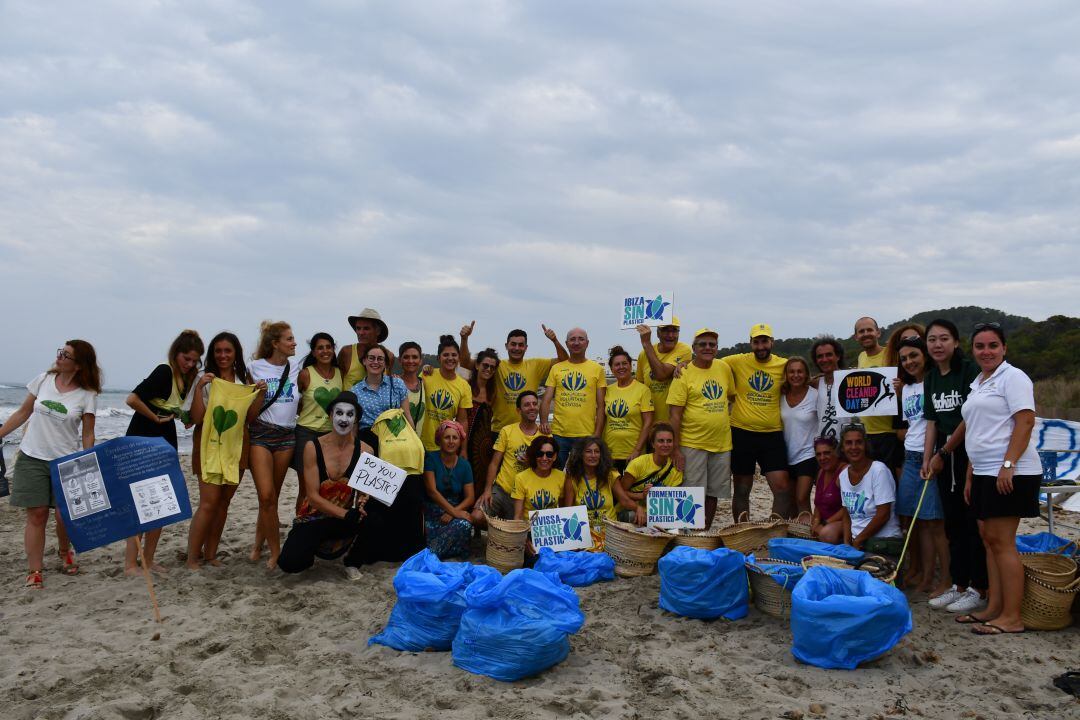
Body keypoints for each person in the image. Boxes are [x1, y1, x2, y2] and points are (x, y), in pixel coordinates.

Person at [959, 323, 1041, 635]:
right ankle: (994, 607)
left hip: (1010, 472)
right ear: (973, 351)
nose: (986, 351)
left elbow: (1026, 420)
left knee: (1003, 542)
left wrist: (1009, 464)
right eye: (980, 346)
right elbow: (978, 431)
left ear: (1004, 348)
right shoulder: (979, 382)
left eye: (993, 345)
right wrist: (970, 475)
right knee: (989, 539)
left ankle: (1012, 616)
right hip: (983, 471)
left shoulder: (1013, 377)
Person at [0, 341, 100, 588]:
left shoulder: (87, 394)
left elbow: (88, 433)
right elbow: (23, 412)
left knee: (64, 516)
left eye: (65, 355)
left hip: (65, 461)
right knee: (37, 514)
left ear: (78, 365)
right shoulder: (43, 379)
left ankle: (64, 550)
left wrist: (89, 460)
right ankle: (35, 570)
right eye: (60, 352)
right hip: (31, 456)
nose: (59, 357)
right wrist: (1, 433)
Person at [124, 329, 204, 574]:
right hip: (143, 438)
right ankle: (129, 564)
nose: (189, 364)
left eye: (194, 361)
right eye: (186, 359)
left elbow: (181, 414)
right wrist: (156, 418)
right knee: (140, 503)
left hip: (165, 439)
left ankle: (148, 560)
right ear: (176, 354)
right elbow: (132, 399)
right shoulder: (164, 371)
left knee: (160, 502)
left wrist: (191, 404)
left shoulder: (186, 379)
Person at [921, 318, 987, 614]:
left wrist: (944, 452)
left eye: (944, 338)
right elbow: (932, 422)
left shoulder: (969, 371)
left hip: (967, 452)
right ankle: (959, 585)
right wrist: (928, 458)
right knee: (953, 523)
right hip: (943, 455)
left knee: (973, 522)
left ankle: (979, 587)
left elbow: (968, 418)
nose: (937, 344)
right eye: (932, 339)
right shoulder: (931, 377)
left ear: (956, 342)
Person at [278, 392, 372, 577]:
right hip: (315, 518)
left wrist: (363, 501)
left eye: (350, 414)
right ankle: (313, 548)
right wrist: (346, 514)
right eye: (339, 413)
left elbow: (363, 492)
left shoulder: (366, 451)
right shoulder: (313, 447)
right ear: (330, 416)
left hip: (345, 520)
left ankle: (352, 561)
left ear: (356, 419)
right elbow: (312, 496)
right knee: (290, 563)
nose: (344, 419)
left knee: (375, 518)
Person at [185, 332, 256, 569]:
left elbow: (251, 417)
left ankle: (210, 554)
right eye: (218, 351)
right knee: (208, 503)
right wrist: (199, 390)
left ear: (236, 353)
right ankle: (192, 557)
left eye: (228, 351)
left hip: (237, 446)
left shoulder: (244, 380)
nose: (223, 355)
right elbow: (196, 418)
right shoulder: (204, 379)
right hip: (209, 446)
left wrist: (260, 393)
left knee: (224, 502)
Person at [247, 321, 305, 569]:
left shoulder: (297, 367)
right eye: (289, 339)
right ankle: (275, 551)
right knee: (266, 495)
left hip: (286, 437)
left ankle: (258, 544)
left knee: (272, 497)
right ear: (275, 343)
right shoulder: (254, 367)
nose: (294, 343)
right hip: (260, 434)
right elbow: (246, 407)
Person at [721, 323, 793, 519]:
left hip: (772, 434)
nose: (761, 346)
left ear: (772, 342)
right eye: (756, 342)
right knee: (742, 488)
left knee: (782, 487)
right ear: (750, 343)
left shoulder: (783, 364)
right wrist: (684, 364)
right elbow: (710, 362)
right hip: (741, 432)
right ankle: (742, 530)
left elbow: (801, 377)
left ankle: (774, 528)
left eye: (764, 341)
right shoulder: (737, 361)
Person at [895, 337, 948, 594]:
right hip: (910, 457)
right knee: (912, 521)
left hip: (931, 457)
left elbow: (935, 423)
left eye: (914, 355)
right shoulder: (906, 388)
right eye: (904, 359)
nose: (909, 362)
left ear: (925, 355)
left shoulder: (935, 382)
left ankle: (942, 579)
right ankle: (920, 573)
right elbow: (911, 425)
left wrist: (933, 456)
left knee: (933, 523)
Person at [667, 328, 735, 527]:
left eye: (712, 344)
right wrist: (676, 449)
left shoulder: (723, 367)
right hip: (692, 443)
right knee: (691, 494)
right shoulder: (683, 372)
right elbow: (675, 414)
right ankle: (690, 535)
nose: (707, 348)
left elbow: (731, 396)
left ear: (717, 348)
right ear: (694, 348)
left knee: (713, 493)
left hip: (722, 444)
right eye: (702, 344)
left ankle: (704, 531)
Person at [459, 323, 567, 435]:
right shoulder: (497, 366)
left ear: (526, 347)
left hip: (526, 432)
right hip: (498, 431)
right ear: (506, 346)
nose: (516, 348)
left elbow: (564, 362)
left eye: (520, 345)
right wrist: (464, 339)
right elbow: (465, 363)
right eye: (513, 344)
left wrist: (555, 340)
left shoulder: (536, 365)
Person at [474, 391, 549, 524]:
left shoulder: (545, 436)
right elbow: (494, 464)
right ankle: (499, 531)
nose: (532, 407)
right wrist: (487, 490)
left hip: (526, 496)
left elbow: (548, 469)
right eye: (527, 405)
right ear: (518, 410)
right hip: (502, 490)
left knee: (519, 532)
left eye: (534, 404)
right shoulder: (507, 431)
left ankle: (505, 532)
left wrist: (531, 463)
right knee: (477, 516)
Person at [540, 327, 605, 468]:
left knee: (583, 476)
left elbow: (601, 406)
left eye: (581, 339)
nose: (576, 342)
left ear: (587, 343)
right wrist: (544, 421)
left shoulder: (597, 369)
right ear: (567, 343)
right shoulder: (557, 368)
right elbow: (546, 398)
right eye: (572, 339)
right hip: (559, 434)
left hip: (586, 435)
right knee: (554, 473)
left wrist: (597, 433)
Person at [292, 333, 343, 510]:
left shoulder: (340, 374)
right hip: (306, 434)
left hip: (331, 435)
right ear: (313, 352)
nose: (325, 351)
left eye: (328, 347)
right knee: (306, 488)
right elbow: (295, 403)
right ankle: (300, 524)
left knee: (328, 485)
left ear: (333, 349)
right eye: (320, 348)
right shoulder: (305, 374)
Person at [838, 423, 903, 553]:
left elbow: (883, 514)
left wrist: (858, 540)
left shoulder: (879, 470)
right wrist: (847, 544)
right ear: (842, 448)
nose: (854, 447)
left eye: (859, 442)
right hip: (858, 544)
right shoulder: (843, 475)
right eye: (848, 443)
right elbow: (846, 515)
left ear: (866, 445)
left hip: (883, 542)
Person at [422, 420, 477, 559]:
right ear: (440, 440)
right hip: (434, 510)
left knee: (465, 524)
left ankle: (435, 551)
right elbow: (431, 491)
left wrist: (453, 513)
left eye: (455, 438)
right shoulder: (431, 459)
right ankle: (437, 550)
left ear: (460, 441)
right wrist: (453, 512)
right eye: (447, 437)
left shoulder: (465, 465)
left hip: (453, 510)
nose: (451, 441)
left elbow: (470, 497)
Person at [561, 437, 632, 540]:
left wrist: (638, 509)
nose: (593, 455)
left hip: (610, 533)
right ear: (581, 454)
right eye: (588, 452)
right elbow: (569, 510)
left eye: (597, 452)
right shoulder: (572, 478)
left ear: (601, 455)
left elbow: (624, 500)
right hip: (585, 535)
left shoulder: (610, 475)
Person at [853, 317, 900, 466]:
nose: (866, 334)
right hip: (867, 433)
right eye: (861, 331)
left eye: (869, 330)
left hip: (890, 432)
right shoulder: (861, 357)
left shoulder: (892, 354)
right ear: (856, 337)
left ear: (878, 333)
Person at [620, 423, 684, 525]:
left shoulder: (676, 469)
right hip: (634, 509)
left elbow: (675, 500)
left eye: (669, 441)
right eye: (661, 441)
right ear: (653, 444)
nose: (665, 445)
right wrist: (642, 496)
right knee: (630, 516)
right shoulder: (638, 463)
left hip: (661, 513)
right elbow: (621, 492)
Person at [602, 345, 654, 472]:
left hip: (634, 454)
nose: (621, 367)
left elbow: (648, 422)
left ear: (630, 366)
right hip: (610, 453)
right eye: (617, 364)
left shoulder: (643, 390)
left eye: (624, 363)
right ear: (612, 368)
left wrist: (637, 450)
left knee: (634, 490)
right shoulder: (607, 391)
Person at [780, 357, 818, 515]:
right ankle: (795, 534)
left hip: (808, 454)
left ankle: (807, 535)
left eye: (800, 371)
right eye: (792, 372)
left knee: (802, 498)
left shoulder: (815, 395)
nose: (796, 375)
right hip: (786, 455)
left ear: (806, 374)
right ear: (786, 375)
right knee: (790, 501)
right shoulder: (781, 396)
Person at [421, 335, 473, 452]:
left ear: (458, 358)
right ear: (438, 358)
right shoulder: (427, 375)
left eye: (454, 355)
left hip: (444, 447)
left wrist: (463, 450)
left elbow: (462, 421)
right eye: (446, 355)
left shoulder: (464, 386)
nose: (450, 358)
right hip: (420, 442)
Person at [635, 319, 692, 425]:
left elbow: (661, 375)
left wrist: (646, 343)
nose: (670, 335)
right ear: (657, 333)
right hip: (649, 422)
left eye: (675, 331)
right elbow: (639, 387)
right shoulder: (643, 354)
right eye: (665, 330)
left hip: (674, 423)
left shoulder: (684, 349)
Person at [352, 343, 412, 431]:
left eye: (380, 359)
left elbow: (407, 416)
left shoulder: (397, 384)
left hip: (394, 438)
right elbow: (354, 425)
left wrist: (413, 438)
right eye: (371, 358)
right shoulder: (355, 391)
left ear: (385, 363)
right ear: (364, 361)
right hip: (367, 438)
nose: (375, 362)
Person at [464, 345, 499, 491]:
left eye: (492, 367)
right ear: (477, 365)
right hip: (465, 440)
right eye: (485, 365)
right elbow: (463, 360)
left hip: (483, 446)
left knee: (480, 479)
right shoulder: (465, 385)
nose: (489, 369)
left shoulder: (493, 391)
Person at [512, 436, 566, 520]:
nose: (544, 458)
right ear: (534, 455)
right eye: (539, 454)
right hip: (528, 528)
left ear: (554, 456)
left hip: (553, 529)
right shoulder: (521, 478)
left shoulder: (561, 476)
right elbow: (518, 515)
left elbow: (564, 511)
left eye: (549, 454)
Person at [338, 308, 389, 390]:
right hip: (349, 402)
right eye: (358, 328)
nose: (361, 333)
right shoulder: (347, 352)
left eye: (366, 328)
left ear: (378, 331)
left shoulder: (388, 355)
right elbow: (336, 382)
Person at [810, 437, 847, 544]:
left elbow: (848, 508)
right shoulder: (821, 472)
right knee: (794, 523)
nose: (822, 458)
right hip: (824, 520)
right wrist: (816, 521)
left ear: (836, 453)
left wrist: (825, 523)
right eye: (818, 454)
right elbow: (818, 503)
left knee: (826, 533)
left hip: (842, 521)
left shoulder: (844, 472)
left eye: (827, 453)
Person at [809, 336, 846, 441]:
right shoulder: (814, 384)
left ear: (838, 356)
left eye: (829, 355)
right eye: (820, 356)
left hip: (847, 446)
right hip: (823, 449)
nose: (824, 359)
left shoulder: (851, 381)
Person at [397, 341, 427, 438]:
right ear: (399, 360)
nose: (410, 361)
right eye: (406, 357)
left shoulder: (424, 384)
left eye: (414, 357)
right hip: (398, 441)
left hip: (418, 444)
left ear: (420, 361)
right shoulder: (394, 384)